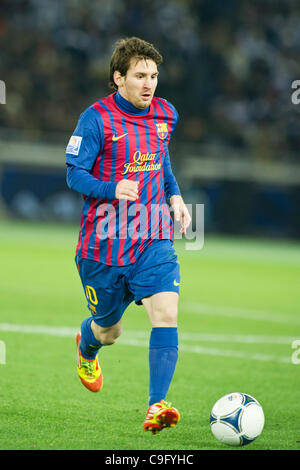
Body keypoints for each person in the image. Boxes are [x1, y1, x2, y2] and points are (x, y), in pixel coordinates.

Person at [65, 37, 191, 434]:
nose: (148, 83)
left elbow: (162, 160)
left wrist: (175, 195)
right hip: (102, 246)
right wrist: (111, 187)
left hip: (152, 238)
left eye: (153, 75)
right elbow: (74, 174)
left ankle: (157, 406)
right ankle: (87, 345)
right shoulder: (95, 119)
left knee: (166, 313)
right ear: (118, 78)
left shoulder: (165, 114)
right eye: (140, 75)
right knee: (109, 330)